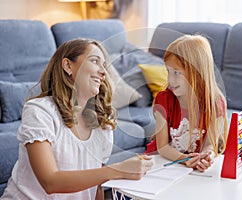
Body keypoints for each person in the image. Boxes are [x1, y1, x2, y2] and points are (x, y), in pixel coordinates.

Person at [0, 38, 153, 200]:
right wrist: (118, 170)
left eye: (104, 66)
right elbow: (50, 182)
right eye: (95, 61)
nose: (103, 72)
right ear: (68, 66)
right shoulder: (40, 110)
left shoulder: (101, 121)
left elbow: (96, 187)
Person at [145, 35, 228, 172]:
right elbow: (163, 148)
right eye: (168, 71)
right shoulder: (164, 100)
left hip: (189, 168)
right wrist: (185, 160)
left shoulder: (216, 104)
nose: (170, 79)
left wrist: (207, 156)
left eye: (176, 73)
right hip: (161, 163)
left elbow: (210, 145)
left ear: (197, 72)